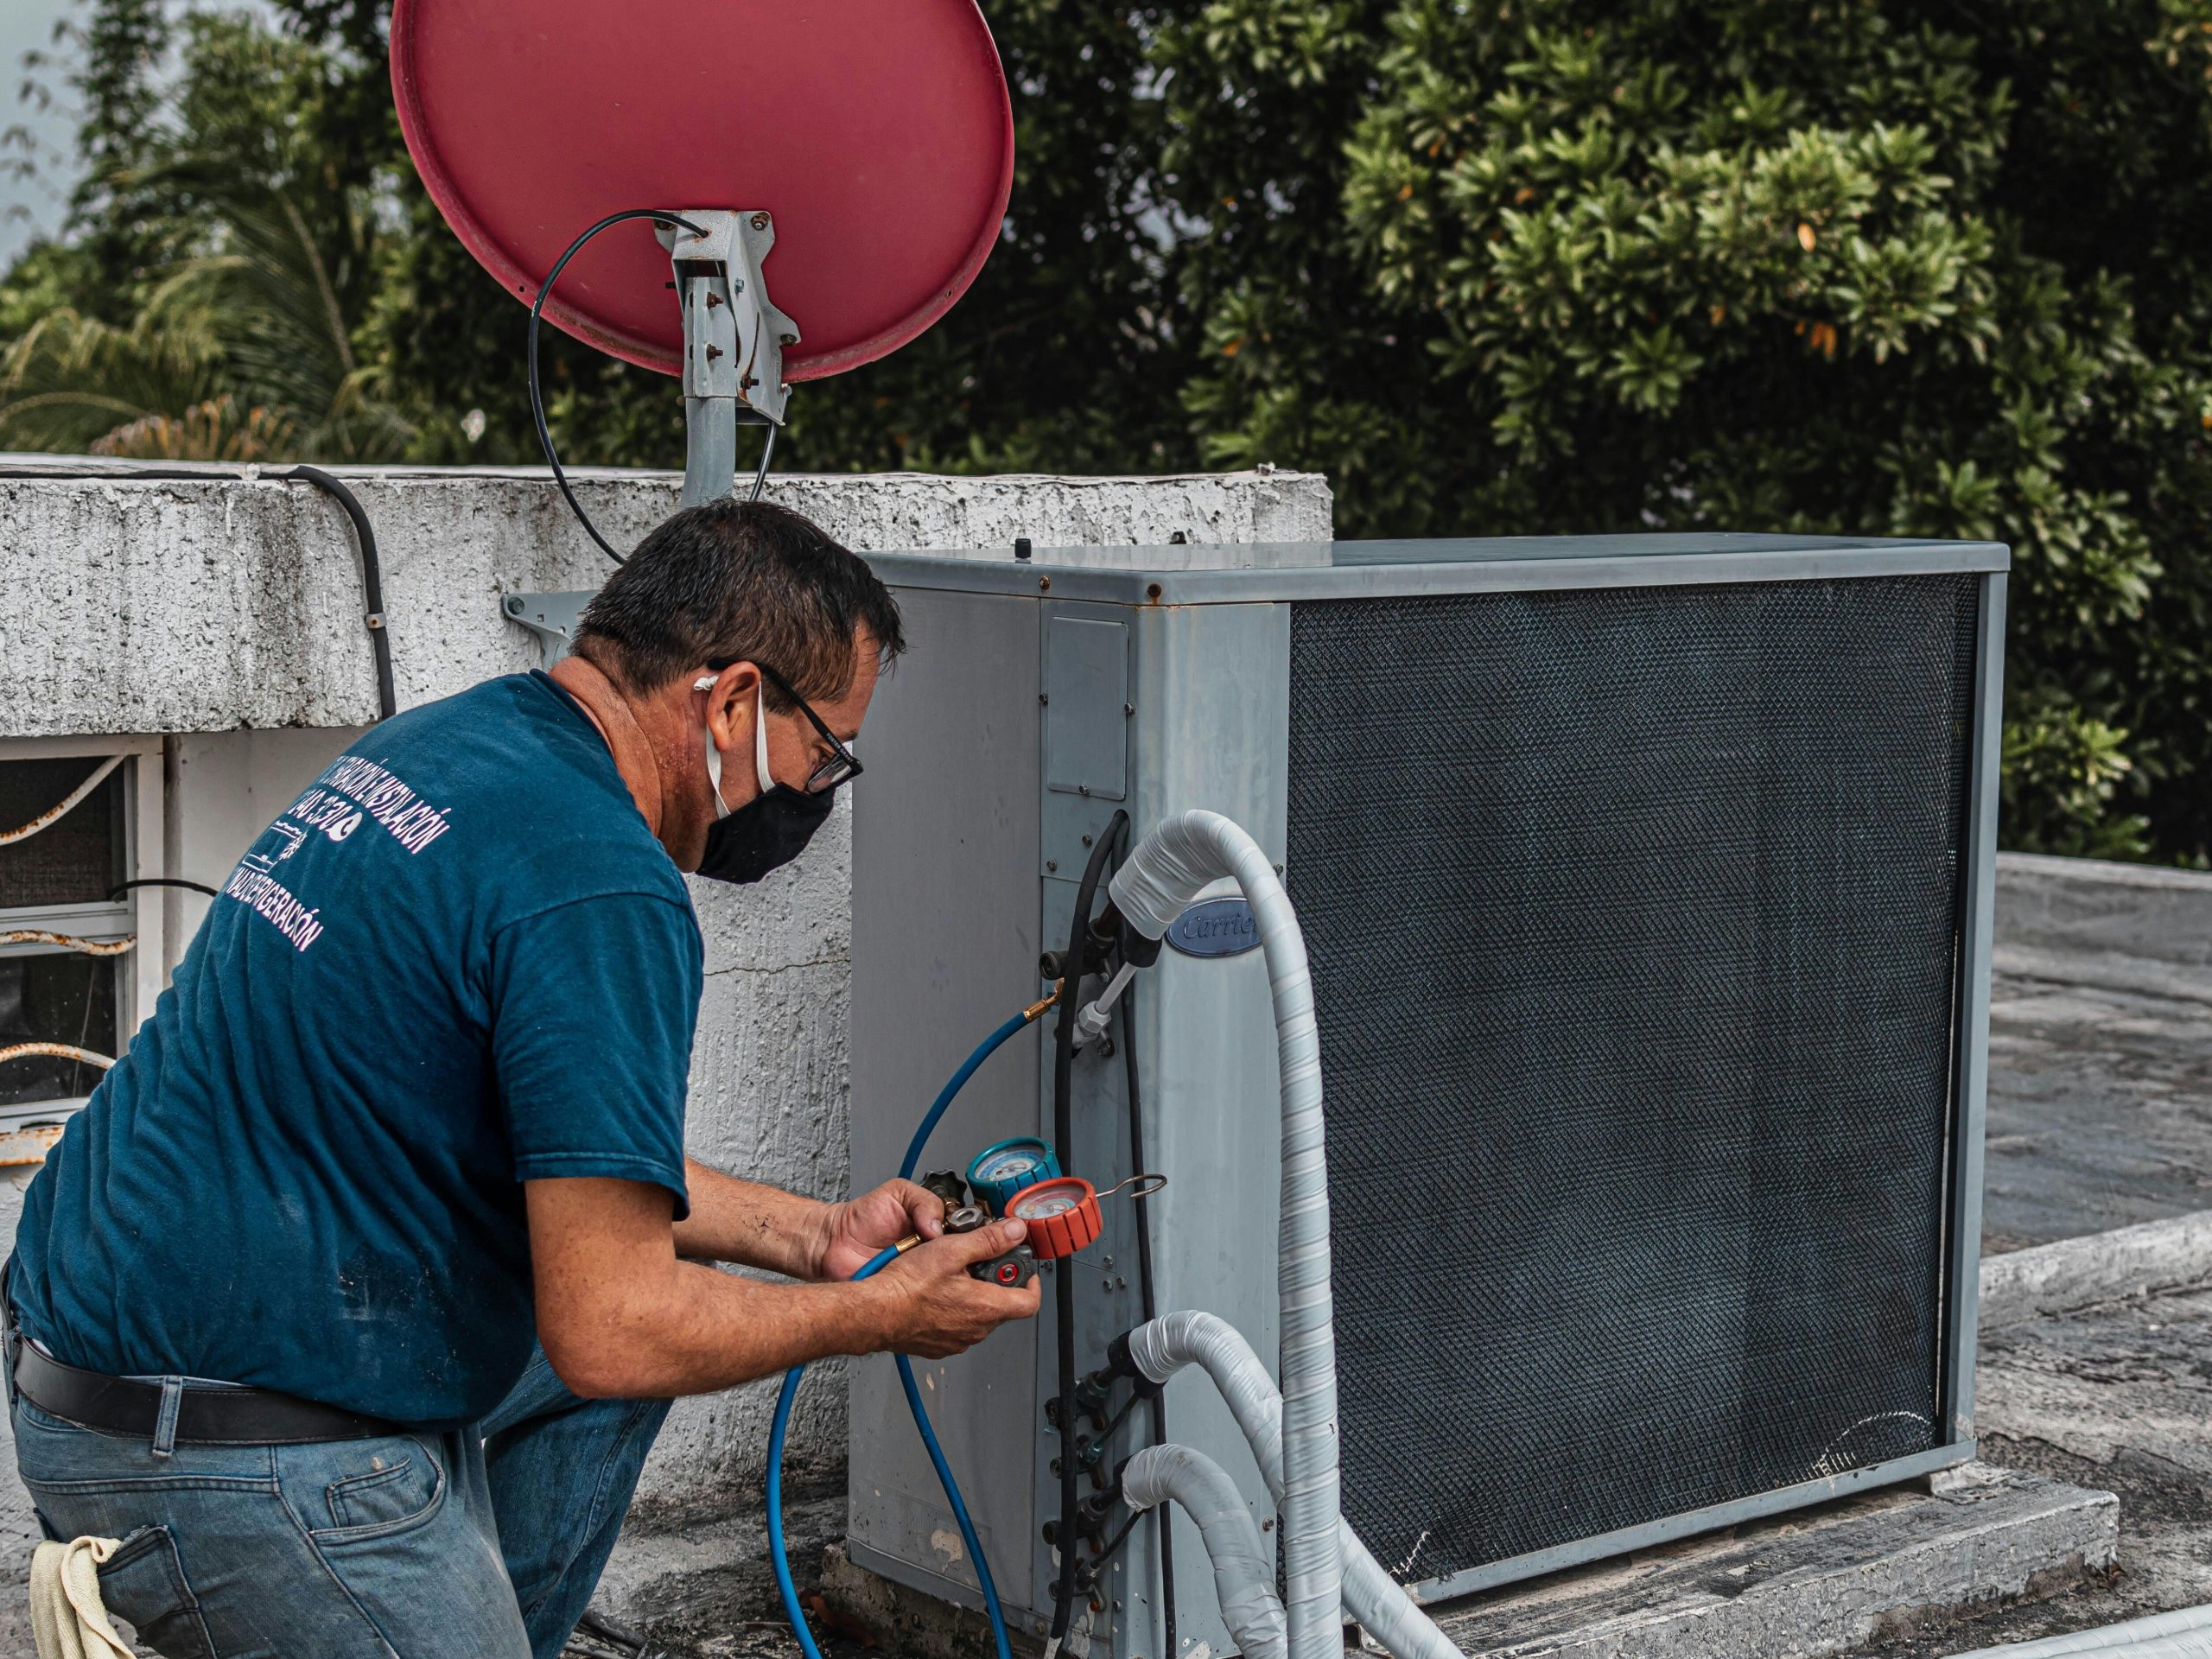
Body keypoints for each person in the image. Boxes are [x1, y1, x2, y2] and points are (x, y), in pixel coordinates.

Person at [3, 499, 1039, 1658]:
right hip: (224, 1449)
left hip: (81, 1360)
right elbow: (615, 1324)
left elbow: (578, 1169)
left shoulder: (448, 746)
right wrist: (876, 1313)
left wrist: (816, 1240)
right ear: (737, 700)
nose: (821, 788)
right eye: (827, 751)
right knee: (633, 1337)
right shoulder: (601, 885)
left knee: (614, 1350)